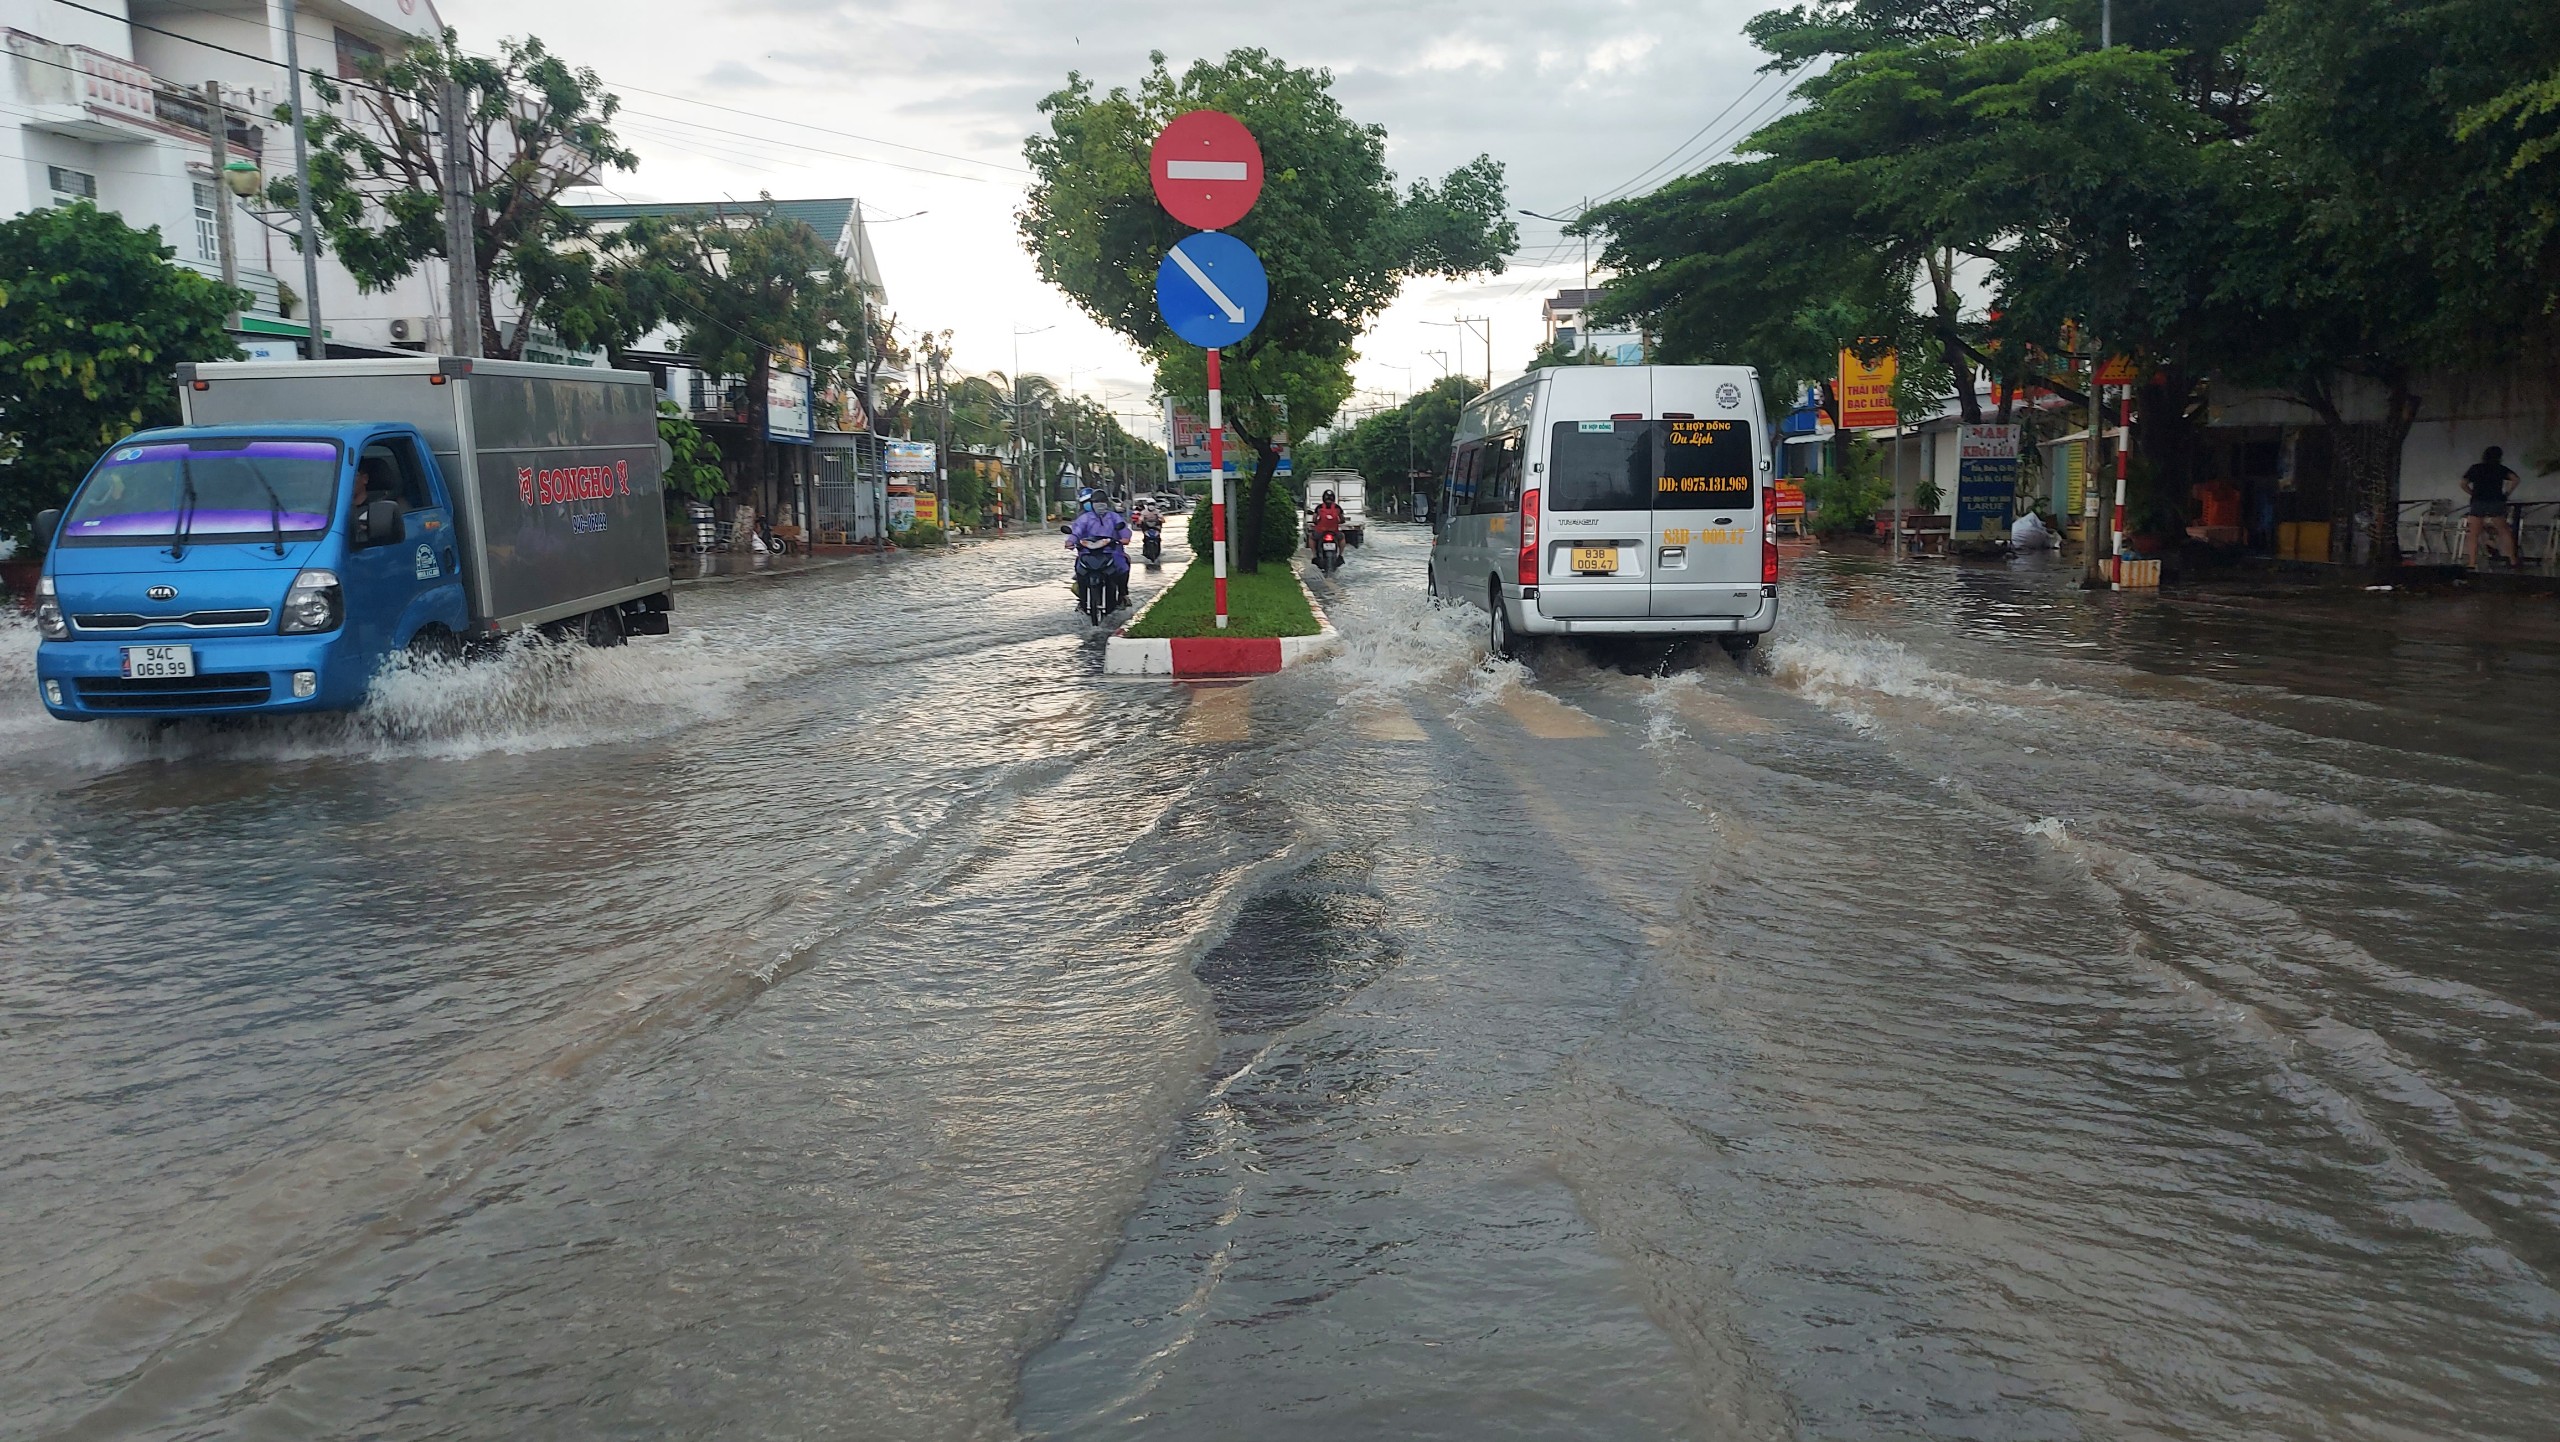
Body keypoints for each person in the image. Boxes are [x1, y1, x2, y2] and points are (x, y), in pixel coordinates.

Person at [1066, 487, 1132, 609]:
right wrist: (1070, 541)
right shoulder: (1085, 518)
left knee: (1123, 566)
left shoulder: (1114, 517)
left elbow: (1124, 530)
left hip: (1111, 552)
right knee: (1079, 568)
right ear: (1092, 504)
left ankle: (1123, 594)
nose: (1099, 505)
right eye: (1096, 502)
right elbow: (1076, 532)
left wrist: (1124, 539)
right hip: (1088, 553)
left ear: (1106, 503)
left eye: (1102, 502)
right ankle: (1082, 600)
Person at [2462, 446, 2521, 568]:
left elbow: (2463, 483)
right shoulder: (2500, 468)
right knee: (2503, 530)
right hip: (2496, 501)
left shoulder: (2476, 468)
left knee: (2473, 533)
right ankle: (2513, 559)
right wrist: (2507, 493)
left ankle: (2472, 562)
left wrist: (2471, 492)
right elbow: (2515, 479)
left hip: (2478, 501)